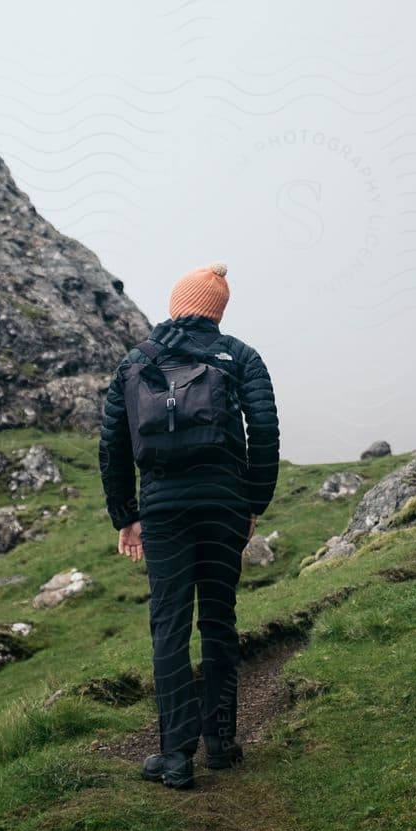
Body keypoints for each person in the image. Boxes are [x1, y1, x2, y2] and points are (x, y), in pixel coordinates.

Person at [98, 261, 280, 790]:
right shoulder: (240, 356)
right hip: (224, 503)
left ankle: (175, 755)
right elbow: (264, 430)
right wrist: (254, 502)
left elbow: (112, 444)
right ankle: (221, 742)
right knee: (219, 620)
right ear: (216, 312)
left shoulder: (137, 361)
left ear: (176, 306)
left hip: (163, 509)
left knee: (169, 624)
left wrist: (126, 516)